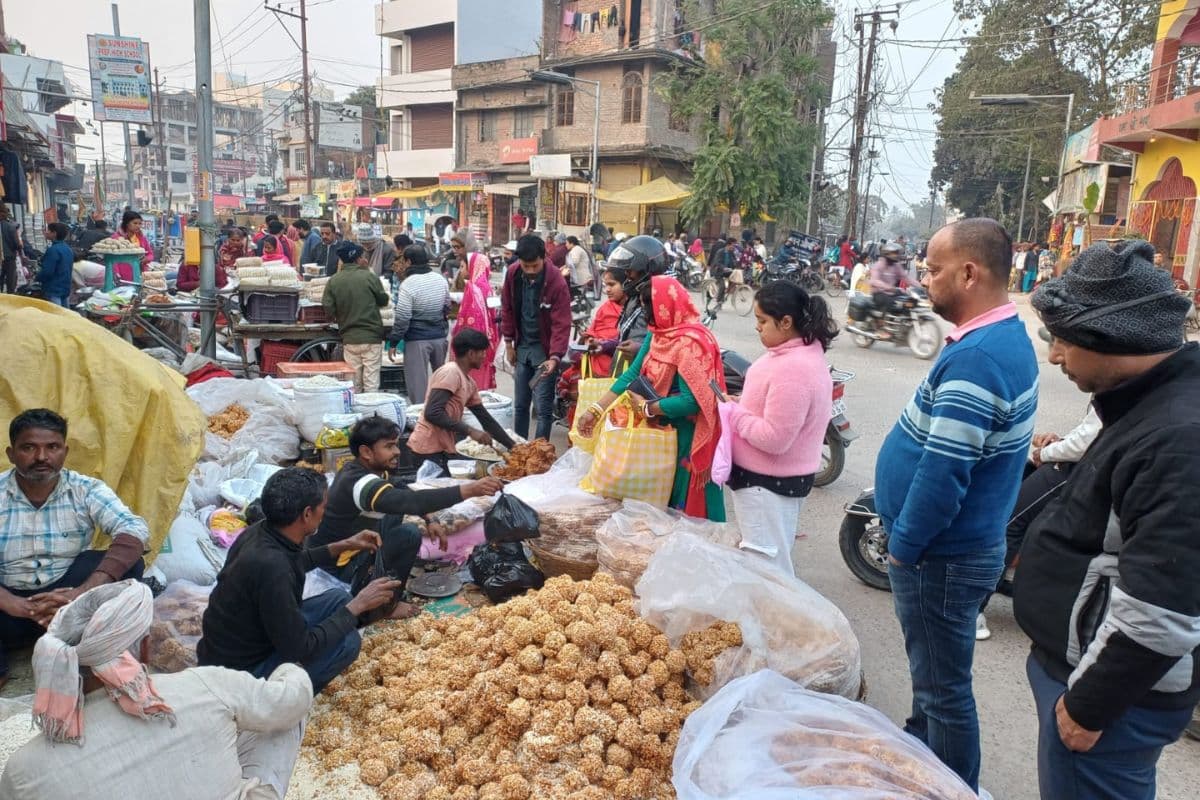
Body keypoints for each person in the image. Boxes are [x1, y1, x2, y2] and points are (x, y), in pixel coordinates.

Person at [1014, 240, 1200, 800]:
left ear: (1113, 337)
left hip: (1111, 700)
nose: (1054, 357)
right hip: (1086, 673)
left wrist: (1086, 707)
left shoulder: (1176, 440)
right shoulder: (1145, 403)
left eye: (1063, 339)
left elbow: (1162, 609)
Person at [875, 218, 1038, 791]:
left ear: (970, 273)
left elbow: (944, 474)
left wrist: (903, 547)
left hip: (941, 555)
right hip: (956, 548)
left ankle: (949, 784)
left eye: (934, 268)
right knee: (935, 680)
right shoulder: (997, 338)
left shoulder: (979, 358)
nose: (924, 278)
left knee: (944, 690)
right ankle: (922, 750)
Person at [2, 581, 314, 800]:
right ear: (146, 649)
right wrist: (292, 670)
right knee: (278, 716)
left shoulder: (22, 770)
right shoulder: (205, 685)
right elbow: (291, 701)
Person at [199, 468, 403, 693]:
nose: (324, 512)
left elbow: (295, 561)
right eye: (323, 507)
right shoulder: (272, 569)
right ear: (307, 514)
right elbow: (300, 648)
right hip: (242, 671)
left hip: (243, 638)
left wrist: (344, 545)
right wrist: (358, 605)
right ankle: (288, 699)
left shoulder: (261, 532)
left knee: (337, 598)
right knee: (348, 643)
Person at [0, 410, 148, 686]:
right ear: (11, 453)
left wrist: (81, 594)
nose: (42, 457)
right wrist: (15, 605)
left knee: (129, 564)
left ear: (65, 452)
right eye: (29, 447)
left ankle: (83, 644)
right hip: (9, 608)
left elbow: (134, 529)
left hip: (72, 603)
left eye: (52, 447)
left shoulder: (85, 489)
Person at [309, 418, 502, 611]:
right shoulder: (359, 483)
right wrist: (470, 489)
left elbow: (401, 488)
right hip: (337, 566)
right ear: (366, 452)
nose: (398, 451)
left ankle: (380, 580)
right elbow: (407, 501)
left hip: (353, 546)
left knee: (397, 509)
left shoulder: (369, 469)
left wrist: (430, 519)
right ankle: (387, 606)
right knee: (409, 534)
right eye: (389, 446)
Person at [576, 276, 726, 520]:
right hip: (660, 430)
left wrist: (648, 409)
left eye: (650, 305)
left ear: (667, 306)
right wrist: (595, 410)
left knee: (685, 516)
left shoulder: (691, 342)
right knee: (656, 512)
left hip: (686, 436)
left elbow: (692, 402)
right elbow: (633, 373)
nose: (646, 312)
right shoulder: (657, 333)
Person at [722, 281, 837, 575]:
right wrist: (743, 404)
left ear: (786, 322)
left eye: (762, 321)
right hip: (767, 482)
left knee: (766, 570)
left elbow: (775, 438)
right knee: (768, 560)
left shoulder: (794, 368)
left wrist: (735, 414)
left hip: (767, 485)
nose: (757, 327)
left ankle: (766, 622)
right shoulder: (797, 355)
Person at [409, 329, 518, 471]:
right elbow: (432, 412)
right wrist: (471, 431)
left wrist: (513, 447)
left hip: (444, 447)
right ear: (471, 354)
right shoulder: (450, 372)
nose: (484, 356)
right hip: (427, 449)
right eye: (482, 352)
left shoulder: (469, 382)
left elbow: (485, 419)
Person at [500, 234, 573, 440]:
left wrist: (555, 357)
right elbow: (506, 308)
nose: (530, 271)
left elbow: (562, 323)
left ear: (544, 258)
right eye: (526, 266)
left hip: (545, 352)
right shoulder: (513, 274)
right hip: (522, 348)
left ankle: (541, 454)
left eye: (535, 266)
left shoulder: (556, 282)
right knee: (521, 405)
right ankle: (519, 449)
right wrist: (508, 343)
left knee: (543, 409)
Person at [387, 244, 450, 405]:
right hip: (439, 337)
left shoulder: (408, 284)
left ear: (408, 262)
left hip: (417, 340)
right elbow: (447, 307)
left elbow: (402, 317)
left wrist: (394, 341)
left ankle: (421, 419)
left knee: (418, 386)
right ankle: (441, 412)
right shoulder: (440, 279)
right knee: (441, 383)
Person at [322, 241, 389, 394]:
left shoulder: (334, 280)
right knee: (371, 383)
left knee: (354, 383)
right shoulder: (368, 276)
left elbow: (328, 307)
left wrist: (334, 317)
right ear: (359, 259)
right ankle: (371, 413)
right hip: (371, 337)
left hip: (350, 338)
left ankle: (357, 415)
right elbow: (383, 300)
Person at [606, 235, 669, 374]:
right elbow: (626, 336)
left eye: (630, 270)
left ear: (646, 269)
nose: (627, 275)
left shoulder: (663, 303)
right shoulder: (635, 296)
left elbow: (668, 347)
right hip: (628, 368)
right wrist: (605, 345)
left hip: (646, 373)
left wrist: (639, 348)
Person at [450, 229, 500, 391]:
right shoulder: (484, 285)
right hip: (485, 343)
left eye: (464, 266)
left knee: (471, 385)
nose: (461, 269)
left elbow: (471, 317)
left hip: (472, 347)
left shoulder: (474, 288)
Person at [110, 210, 153, 283]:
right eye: (135, 223)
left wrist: (146, 259)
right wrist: (116, 273)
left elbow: (150, 254)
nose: (138, 226)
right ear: (127, 223)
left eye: (140, 223)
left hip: (140, 272)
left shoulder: (141, 238)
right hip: (123, 275)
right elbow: (112, 259)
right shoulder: (116, 238)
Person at [37, 223, 74, 307]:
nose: (46, 232)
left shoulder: (53, 250)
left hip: (54, 289)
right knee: (65, 314)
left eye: (48, 230)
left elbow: (47, 272)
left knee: (55, 315)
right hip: (65, 287)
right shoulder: (67, 249)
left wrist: (38, 277)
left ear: (54, 233)